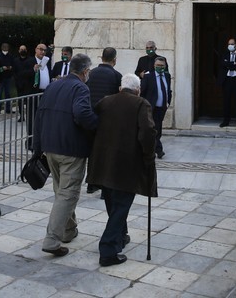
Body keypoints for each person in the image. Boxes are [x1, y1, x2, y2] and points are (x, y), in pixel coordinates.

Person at [87, 73, 157, 267]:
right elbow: (148, 131)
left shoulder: (105, 101)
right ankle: (108, 249)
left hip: (103, 162)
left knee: (113, 202)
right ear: (138, 90)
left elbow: (92, 124)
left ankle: (120, 236)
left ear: (120, 88)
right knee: (121, 206)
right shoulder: (141, 103)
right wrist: (149, 157)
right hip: (126, 163)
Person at [33, 53, 98, 257]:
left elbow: (39, 115)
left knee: (61, 191)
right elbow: (82, 113)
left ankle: (68, 230)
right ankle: (52, 240)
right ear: (85, 71)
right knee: (68, 193)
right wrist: (97, 125)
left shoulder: (53, 86)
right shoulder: (81, 88)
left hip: (50, 146)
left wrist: (37, 147)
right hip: (71, 149)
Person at [85, 47, 122, 194]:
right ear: (114, 59)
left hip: (91, 118)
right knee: (107, 153)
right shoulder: (116, 75)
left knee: (92, 152)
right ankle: (105, 187)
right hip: (108, 120)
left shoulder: (91, 74)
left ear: (102, 58)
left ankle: (91, 183)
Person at [139, 56, 171, 159]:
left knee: (158, 129)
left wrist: (168, 102)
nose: (160, 67)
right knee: (153, 129)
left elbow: (168, 90)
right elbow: (142, 92)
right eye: (158, 65)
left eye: (162, 65)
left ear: (165, 66)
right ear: (154, 65)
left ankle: (152, 148)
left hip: (162, 108)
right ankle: (158, 150)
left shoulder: (167, 76)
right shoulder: (148, 77)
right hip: (151, 108)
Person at [25, 43, 52, 149]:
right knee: (32, 117)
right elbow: (21, 74)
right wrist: (33, 70)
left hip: (45, 93)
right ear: (36, 50)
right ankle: (31, 141)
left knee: (44, 117)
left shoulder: (46, 62)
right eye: (40, 49)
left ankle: (42, 140)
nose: (42, 52)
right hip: (34, 94)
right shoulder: (30, 61)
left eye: (44, 50)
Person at [218, 38, 236, 129]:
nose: (230, 46)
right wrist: (234, 64)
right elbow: (222, 64)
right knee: (226, 101)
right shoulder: (225, 54)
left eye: (232, 44)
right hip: (227, 80)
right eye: (229, 44)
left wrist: (229, 64)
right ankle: (226, 121)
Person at [0, 42, 18, 114]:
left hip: (8, 77)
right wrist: (2, 68)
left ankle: (8, 109)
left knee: (8, 94)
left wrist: (11, 67)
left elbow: (14, 65)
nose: (5, 48)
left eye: (7, 47)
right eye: (4, 47)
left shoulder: (11, 56)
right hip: (0, 78)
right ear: (2, 48)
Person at [13, 44, 35, 122]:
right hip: (19, 84)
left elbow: (33, 71)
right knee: (20, 101)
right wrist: (17, 81)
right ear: (19, 51)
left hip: (29, 84)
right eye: (21, 49)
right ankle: (21, 116)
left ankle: (29, 115)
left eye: (24, 49)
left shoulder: (31, 60)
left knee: (28, 101)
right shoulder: (15, 61)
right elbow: (14, 72)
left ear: (26, 50)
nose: (23, 51)